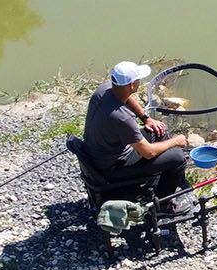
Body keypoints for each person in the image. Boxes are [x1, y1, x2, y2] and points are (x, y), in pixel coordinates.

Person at [84, 60, 199, 203]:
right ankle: (163, 204)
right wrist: (176, 141)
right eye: (137, 80)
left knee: (158, 131)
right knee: (178, 158)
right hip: (111, 169)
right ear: (132, 85)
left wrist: (146, 118)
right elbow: (148, 152)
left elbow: (127, 99)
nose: (139, 82)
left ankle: (162, 176)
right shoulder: (122, 118)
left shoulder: (105, 89)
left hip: (98, 155)